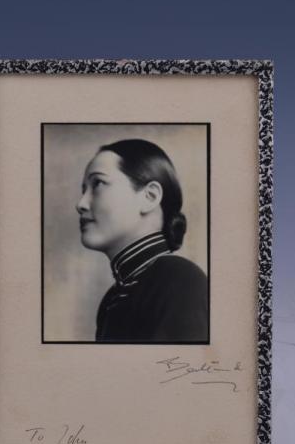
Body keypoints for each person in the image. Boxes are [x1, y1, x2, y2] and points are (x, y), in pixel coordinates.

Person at [76, 138, 208, 343]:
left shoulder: (180, 280)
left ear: (150, 197)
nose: (81, 204)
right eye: (84, 190)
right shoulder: (113, 299)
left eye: (98, 183)